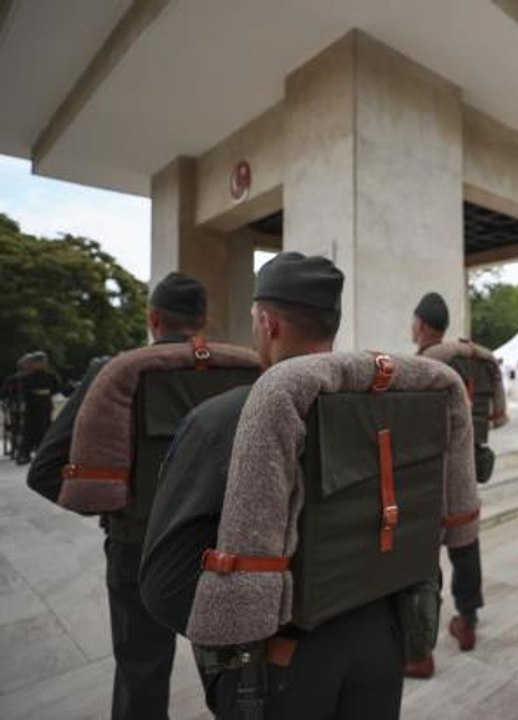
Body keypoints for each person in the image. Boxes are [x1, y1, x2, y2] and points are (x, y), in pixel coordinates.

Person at [140, 253, 405, 718]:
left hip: (282, 661)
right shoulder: (384, 409)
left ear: (268, 323)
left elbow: (163, 585)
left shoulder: (222, 419)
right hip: (379, 639)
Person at [26, 272, 208, 720]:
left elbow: (46, 469)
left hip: (138, 547)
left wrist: (116, 506)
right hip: (215, 542)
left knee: (142, 670)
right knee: (227, 664)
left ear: (153, 318)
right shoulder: (233, 369)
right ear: (202, 322)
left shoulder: (118, 371)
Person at [406, 291, 487, 676]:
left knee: (422, 564)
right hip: (467, 474)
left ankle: (421, 651)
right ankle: (467, 621)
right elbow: (498, 415)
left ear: (420, 324)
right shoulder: (477, 361)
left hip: (428, 481)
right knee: (466, 548)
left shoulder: (421, 366)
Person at [14, 351, 61, 464]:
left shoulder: (51, 376)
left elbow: (56, 388)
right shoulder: (26, 377)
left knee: (45, 428)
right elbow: (23, 392)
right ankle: (24, 454)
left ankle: (43, 454)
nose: (41, 365)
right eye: (38, 362)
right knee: (29, 430)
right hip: (32, 406)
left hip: (45, 404)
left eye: (42, 362)